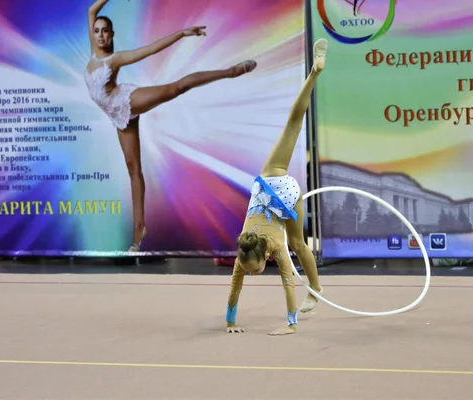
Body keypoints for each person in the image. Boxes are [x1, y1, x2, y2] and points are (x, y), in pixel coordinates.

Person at [85, 0, 257, 251]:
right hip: (116, 116)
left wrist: (180, 34)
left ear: (111, 35)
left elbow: (150, 49)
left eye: (104, 31)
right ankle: (139, 230)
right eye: (96, 30)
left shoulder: (115, 59)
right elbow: (92, 10)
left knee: (176, 88)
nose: (100, 34)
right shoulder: (93, 52)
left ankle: (231, 71)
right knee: (134, 170)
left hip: (125, 102)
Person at [224, 38, 328, 336]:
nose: (252, 274)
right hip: (276, 184)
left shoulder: (274, 252)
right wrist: (229, 323)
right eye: (253, 270)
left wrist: (290, 326)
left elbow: (280, 286)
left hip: (283, 192)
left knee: (296, 245)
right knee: (293, 124)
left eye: (254, 270)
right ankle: (317, 287)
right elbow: (239, 285)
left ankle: (314, 72)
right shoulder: (246, 251)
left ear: (261, 257)